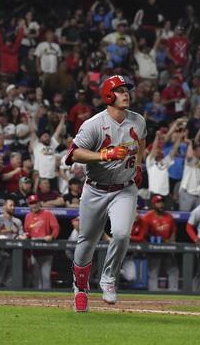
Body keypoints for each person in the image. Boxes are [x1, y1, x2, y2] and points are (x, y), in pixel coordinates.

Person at [64, 75, 146, 312]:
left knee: (120, 234)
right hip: (95, 189)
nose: (126, 94)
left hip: (124, 188)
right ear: (109, 95)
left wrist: (138, 165)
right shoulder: (94, 124)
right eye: (120, 91)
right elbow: (72, 155)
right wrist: (103, 155)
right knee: (86, 241)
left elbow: (141, 142)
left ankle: (108, 278)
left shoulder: (138, 121)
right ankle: (80, 288)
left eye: (127, 90)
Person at [142, 195, 179, 291]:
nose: (161, 205)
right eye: (158, 203)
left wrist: (172, 244)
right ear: (153, 205)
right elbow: (144, 234)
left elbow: (173, 232)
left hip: (167, 248)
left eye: (162, 202)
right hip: (154, 248)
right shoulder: (147, 217)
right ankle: (153, 294)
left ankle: (173, 293)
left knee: (173, 270)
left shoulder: (169, 216)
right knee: (153, 272)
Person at [23, 194, 60, 289]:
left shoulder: (48, 214)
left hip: (46, 250)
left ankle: (47, 299)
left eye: (35, 202)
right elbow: (27, 232)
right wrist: (25, 236)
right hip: (34, 250)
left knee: (45, 276)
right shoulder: (28, 216)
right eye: (31, 203)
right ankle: (37, 299)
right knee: (35, 276)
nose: (34, 205)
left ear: (39, 203)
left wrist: (51, 236)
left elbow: (56, 228)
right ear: (29, 205)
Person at [0, 199, 25, 287]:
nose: (13, 207)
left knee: (11, 282)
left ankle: (10, 300)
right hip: (0, 252)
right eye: (10, 205)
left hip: (14, 253)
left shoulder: (17, 221)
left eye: (14, 205)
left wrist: (22, 237)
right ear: (4, 206)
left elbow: (20, 235)